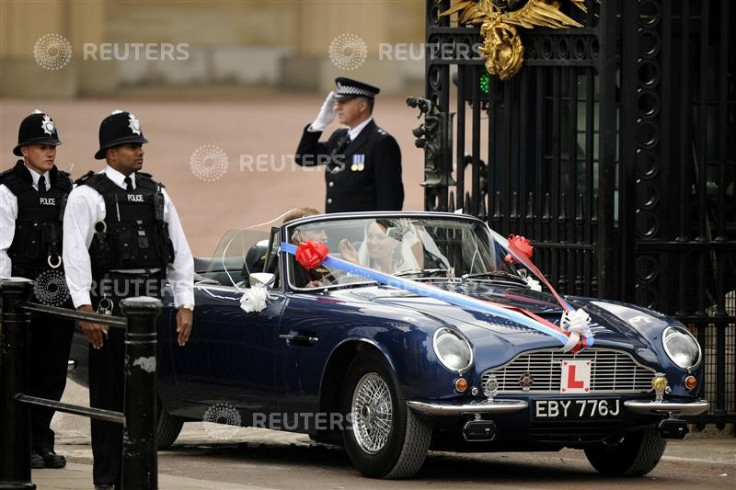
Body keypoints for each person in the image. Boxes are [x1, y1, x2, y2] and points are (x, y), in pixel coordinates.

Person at [62, 110, 194, 490]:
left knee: (146, 400)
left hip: (150, 311)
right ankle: (107, 481)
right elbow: (75, 256)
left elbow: (179, 251)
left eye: (140, 145)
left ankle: (140, 478)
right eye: (132, 146)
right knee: (108, 398)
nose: (140, 151)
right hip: (110, 309)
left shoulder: (157, 193)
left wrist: (185, 303)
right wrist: (84, 309)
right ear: (110, 152)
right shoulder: (87, 195)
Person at [0, 110, 74, 469]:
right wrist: (5, 300)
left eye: (53, 146)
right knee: (20, 370)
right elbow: (0, 249)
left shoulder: (66, 188)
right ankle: (18, 444)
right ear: (24, 150)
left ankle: (43, 441)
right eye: (43, 146)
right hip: (21, 295)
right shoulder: (7, 189)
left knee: (52, 370)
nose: (50, 152)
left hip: (57, 294)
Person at [295, 77, 404, 213]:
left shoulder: (381, 143)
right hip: (336, 229)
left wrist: (381, 231)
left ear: (362, 106)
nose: (337, 107)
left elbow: (390, 198)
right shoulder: (339, 137)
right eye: (337, 102)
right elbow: (304, 157)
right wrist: (319, 123)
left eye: (344, 102)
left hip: (364, 231)